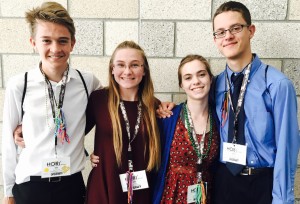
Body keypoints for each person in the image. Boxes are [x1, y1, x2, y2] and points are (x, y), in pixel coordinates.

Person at [1, 2, 101, 204]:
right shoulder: (19, 85)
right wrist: (8, 192)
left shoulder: (87, 82)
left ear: (73, 43)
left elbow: (118, 102)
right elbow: (8, 145)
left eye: (62, 41)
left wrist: (156, 105)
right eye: (46, 40)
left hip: (71, 185)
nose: (55, 48)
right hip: (31, 187)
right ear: (33, 42)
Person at [211, 1, 299, 204]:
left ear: (251, 30)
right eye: (221, 32)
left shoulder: (277, 85)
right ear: (215, 40)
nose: (228, 36)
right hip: (224, 182)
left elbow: (286, 150)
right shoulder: (214, 85)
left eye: (235, 28)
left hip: (261, 184)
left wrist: (282, 200)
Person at [84, 40, 161, 204]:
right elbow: (72, 133)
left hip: (142, 189)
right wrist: (84, 154)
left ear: (144, 70)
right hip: (105, 187)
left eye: (134, 65)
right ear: (112, 69)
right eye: (120, 65)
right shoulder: (98, 99)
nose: (127, 71)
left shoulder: (154, 105)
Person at [152, 55, 220, 204]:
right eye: (188, 77)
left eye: (201, 74)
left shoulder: (220, 119)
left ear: (210, 78)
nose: (196, 81)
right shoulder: (167, 118)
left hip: (204, 196)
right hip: (171, 196)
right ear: (181, 85)